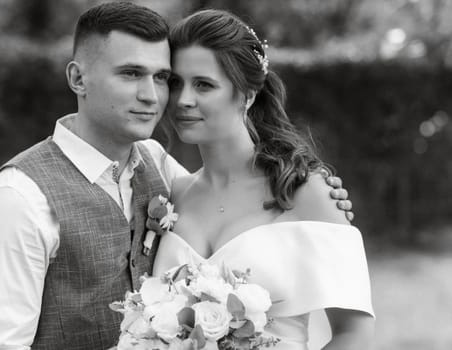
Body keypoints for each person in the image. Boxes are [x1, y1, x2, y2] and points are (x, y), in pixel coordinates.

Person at [0, 3, 353, 350]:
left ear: (247, 94)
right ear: (78, 79)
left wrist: (314, 191)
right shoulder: (17, 200)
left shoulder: (158, 167)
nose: (156, 96)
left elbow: (235, 195)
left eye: (161, 76)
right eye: (131, 74)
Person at [153, 9, 375, 350]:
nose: (183, 100)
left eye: (204, 85)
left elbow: (354, 335)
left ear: (248, 94)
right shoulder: (172, 193)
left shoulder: (305, 191)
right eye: (175, 83)